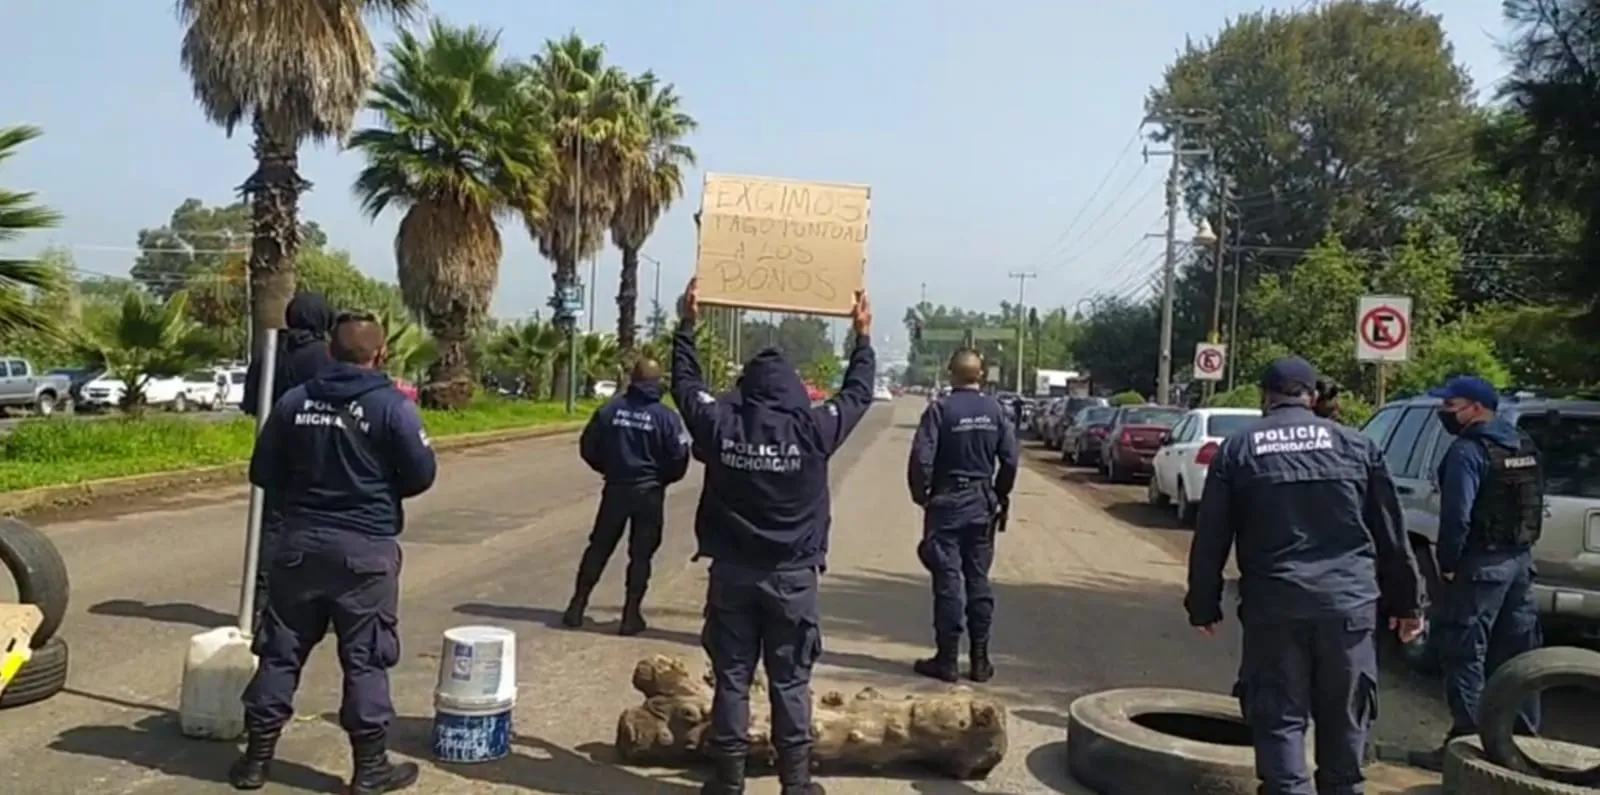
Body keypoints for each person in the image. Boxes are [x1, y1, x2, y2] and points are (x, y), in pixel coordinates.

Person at [672, 278, 876, 795]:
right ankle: (796, 784)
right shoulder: (814, 428)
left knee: (733, 679)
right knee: (790, 682)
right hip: (792, 579)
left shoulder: (721, 425)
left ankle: (728, 782)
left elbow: (685, 385)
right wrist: (863, 338)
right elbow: (856, 393)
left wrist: (687, 326)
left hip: (733, 574)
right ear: (790, 388)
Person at [1186, 356, 1427, 795]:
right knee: (1345, 717)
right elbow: (1392, 536)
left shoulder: (1239, 450)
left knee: (1279, 716)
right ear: (1312, 396)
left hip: (1275, 608)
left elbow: (1211, 536)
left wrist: (1204, 603)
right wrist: (1408, 604)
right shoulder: (1357, 446)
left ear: (1265, 397)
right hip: (1348, 608)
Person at [230, 312, 438, 795]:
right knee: (365, 658)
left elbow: (263, 472)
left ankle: (255, 763)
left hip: (298, 546)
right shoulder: (393, 408)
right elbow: (421, 475)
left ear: (330, 352)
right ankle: (370, 770)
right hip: (365, 551)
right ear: (380, 354)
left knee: (280, 653)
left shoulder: (293, 403)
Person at [1410, 376, 1543, 772]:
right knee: (1519, 655)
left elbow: (1457, 517)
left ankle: (1468, 746)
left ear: (1475, 407)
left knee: (1464, 650)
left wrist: (1448, 564)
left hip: (1482, 564)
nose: (1444, 412)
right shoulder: (1522, 443)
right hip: (1519, 561)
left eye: (1451, 405)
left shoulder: (1468, 450)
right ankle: (1522, 746)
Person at [907, 349, 1018, 683]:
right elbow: (1010, 460)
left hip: (947, 504)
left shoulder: (940, 410)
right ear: (980, 375)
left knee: (949, 582)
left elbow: (921, 460)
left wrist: (923, 496)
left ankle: (948, 659)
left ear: (951, 373)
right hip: (982, 504)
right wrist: (999, 494)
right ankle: (981, 661)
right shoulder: (996, 411)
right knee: (978, 580)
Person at [562, 357, 692, 635]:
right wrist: (661, 479)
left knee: (598, 548)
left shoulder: (609, 410)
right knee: (641, 556)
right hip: (649, 493)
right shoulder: (667, 418)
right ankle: (630, 614)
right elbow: (680, 458)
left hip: (616, 489)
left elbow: (588, 447)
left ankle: (577, 605)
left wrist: (608, 468)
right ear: (658, 383)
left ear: (632, 380)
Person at [241, 291, 338, 635]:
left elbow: (251, 404)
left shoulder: (268, 353)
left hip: (274, 453)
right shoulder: (327, 357)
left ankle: (261, 607)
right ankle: (311, 606)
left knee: (272, 531)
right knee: (319, 530)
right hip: (318, 456)